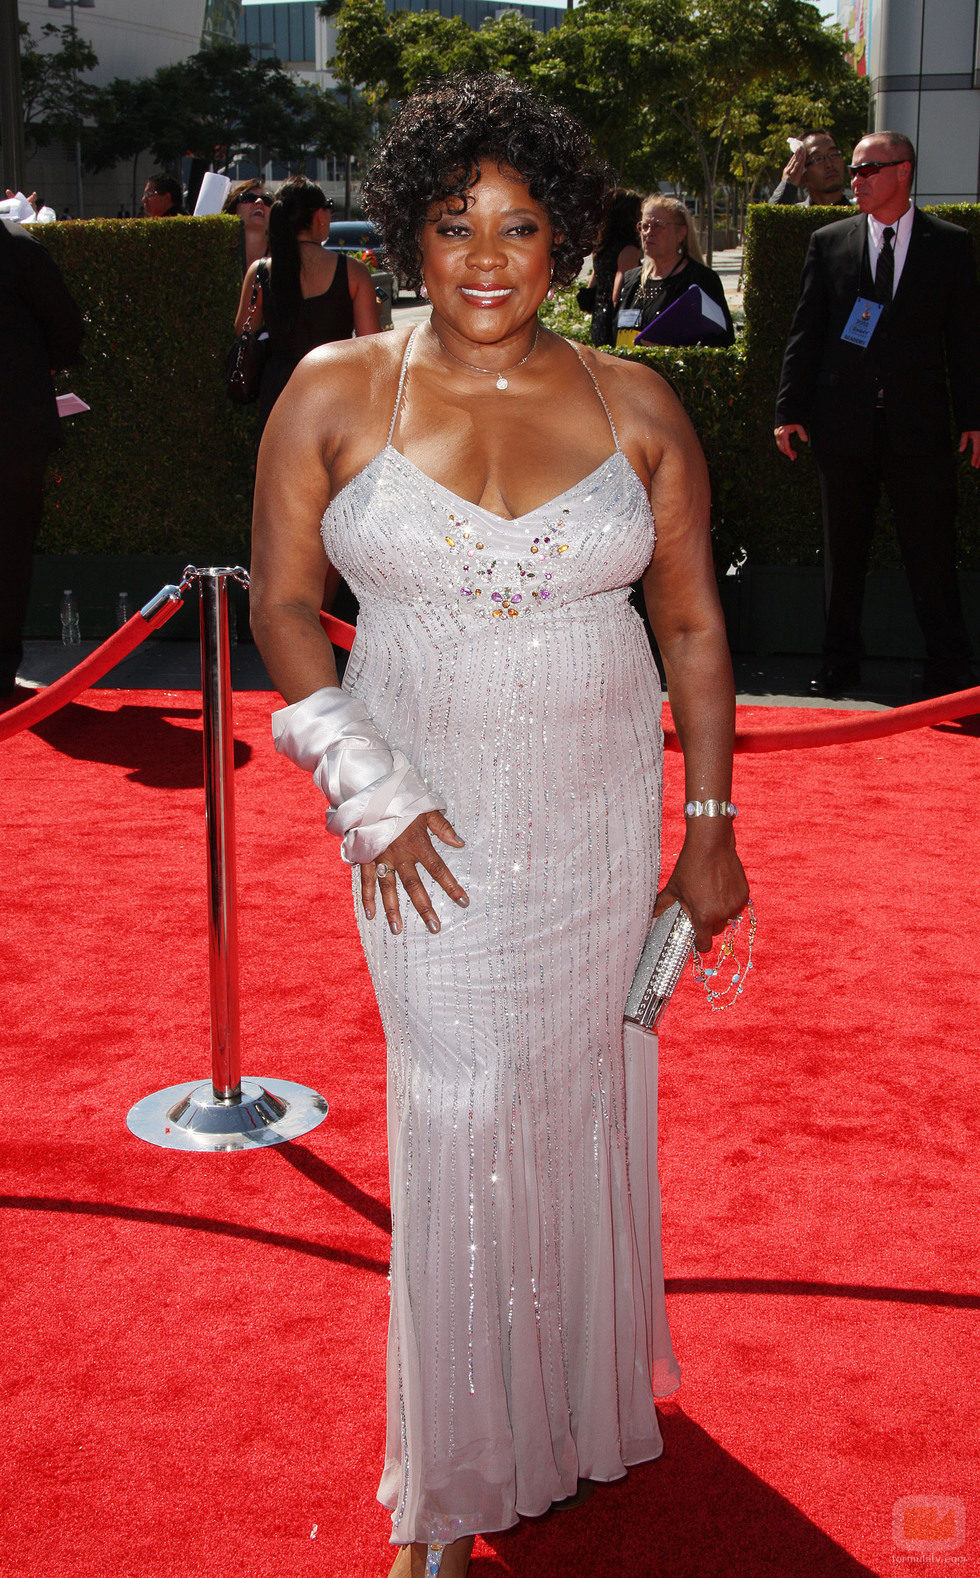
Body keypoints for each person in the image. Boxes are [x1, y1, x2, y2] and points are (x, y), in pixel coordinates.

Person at [249, 74, 749, 1578]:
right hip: (424, 828)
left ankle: (561, 1392)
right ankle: (454, 1482)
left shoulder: (636, 400)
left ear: (568, 238)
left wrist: (712, 823)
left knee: (573, 1098)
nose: (487, 254)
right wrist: (363, 776)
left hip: (597, 815)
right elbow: (279, 601)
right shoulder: (336, 388)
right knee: (458, 1108)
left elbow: (695, 624)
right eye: (455, 222)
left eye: (520, 224)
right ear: (406, 234)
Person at [774, 130, 980, 698]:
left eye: (868, 170)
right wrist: (788, 409)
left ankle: (950, 665)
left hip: (920, 428)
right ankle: (839, 662)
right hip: (844, 427)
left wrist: (973, 417)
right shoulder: (829, 240)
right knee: (844, 551)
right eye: (856, 170)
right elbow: (806, 332)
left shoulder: (949, 243)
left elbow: (965, 340)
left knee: (931, 550)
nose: (855, 180)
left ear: (903, 172)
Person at [0, 217, 84, 703]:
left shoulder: (18, 246)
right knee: (8, 549)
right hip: (12, 428)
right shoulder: (18, 246)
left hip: (14, 427)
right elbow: (65, 328)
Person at [234, 174, 381, 433]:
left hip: (279, 390)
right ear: (318, 216)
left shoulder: (260, 271)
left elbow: (244, 329)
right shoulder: (353, 272)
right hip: (334, 387)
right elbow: (371, 345)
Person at [616, 194, 735, 346]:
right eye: (644, 226)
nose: (648, 233)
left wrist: (670, 351)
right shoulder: (631, 279)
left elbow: (723, 341)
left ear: (681, 233)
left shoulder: (701, 279)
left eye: (657, 225)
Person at [577, 187, 641, 346]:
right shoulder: (629, 249)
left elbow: (593, 283)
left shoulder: (602, 247)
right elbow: (620, 291)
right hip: (614, 319)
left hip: (598, 316)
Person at [769, 130, 851, 207]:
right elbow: (768, 219)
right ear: (801, 173)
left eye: (833, 155)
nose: (829, 164)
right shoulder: (795, 217)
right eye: (818, 159)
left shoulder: (861, 216)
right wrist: (786, 187)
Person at [222, 179, 271, 275]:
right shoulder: (219, 257)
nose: (259, 201)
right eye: (249, 197)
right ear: (233, 208)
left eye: (267, 200)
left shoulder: (284, 260)